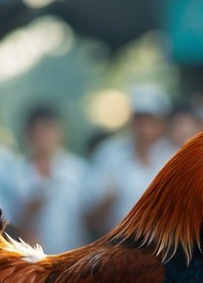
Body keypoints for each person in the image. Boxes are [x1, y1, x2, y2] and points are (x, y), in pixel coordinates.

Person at [88, 85, 176, 234]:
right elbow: (90, 218)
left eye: (151, 121)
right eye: (139, 120)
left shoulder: (172, 155)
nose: (144, 128)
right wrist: (111, 198)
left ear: (162, 124)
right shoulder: (109, 153)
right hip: (115, 246)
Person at [17, 104, 92, 254]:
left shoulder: (79, 169)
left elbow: (92, 217)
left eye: (49, 128)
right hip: (30, 263)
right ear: (28, 134)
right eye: (39, 130)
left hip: (75, 258)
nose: (44, 135)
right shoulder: (16, 171)